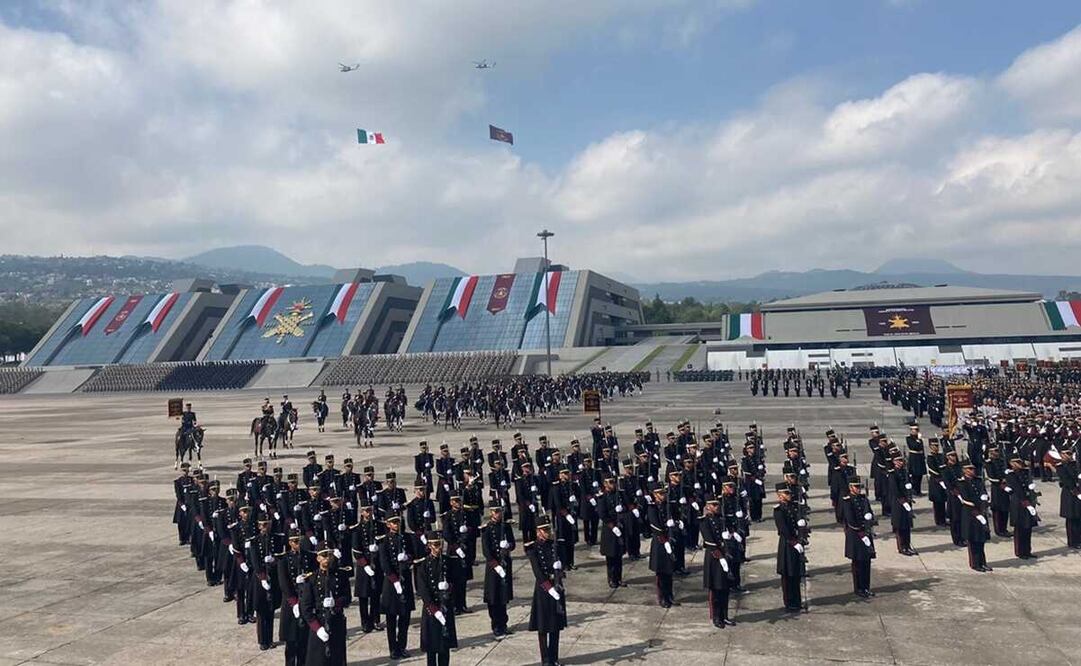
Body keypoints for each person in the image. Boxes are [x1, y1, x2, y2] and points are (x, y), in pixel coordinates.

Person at [301, 547, 352, 666]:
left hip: (336, 621)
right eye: (324, 556)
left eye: (329, 555)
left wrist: (336, 602)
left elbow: (347, 598)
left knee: (337, 658)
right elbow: (306, 607)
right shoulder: (312, 578)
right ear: (318, 558)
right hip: (319, 622)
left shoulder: (341, 575)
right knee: (318, 659)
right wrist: (317, 628)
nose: (327, 559)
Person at [527, 517, 566, 666]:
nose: (548, 532)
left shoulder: (555, 545)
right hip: (544, 590)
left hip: (556, 586)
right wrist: (549, 589)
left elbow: (564, 562)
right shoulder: (533, 549)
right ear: (538, 532)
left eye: (548, 529)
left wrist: (560, 567)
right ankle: (546, 660)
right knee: (543, 627)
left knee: (555, 625)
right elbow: (538, 572)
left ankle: (554, 657)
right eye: (545, 530)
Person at [415, 531, 458, 666]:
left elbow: (456, 580)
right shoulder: (423, 566)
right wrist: (435, 610)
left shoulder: (447, 561)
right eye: (435, 545)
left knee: (444, 647)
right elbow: (423, 590)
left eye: (440, 544)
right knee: (432, 647)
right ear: (429, 546)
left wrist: (449, 587)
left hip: (445, 606)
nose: (439, 547)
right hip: (432, 610)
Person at [379, 515, 415, 660]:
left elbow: (413, 554)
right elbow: (385, 564)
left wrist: (407, 558)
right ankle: (393, 648)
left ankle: (402, 646)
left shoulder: (406, 538)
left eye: (398, 522)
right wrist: (395, 582)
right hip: (391, 583)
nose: (396, 524)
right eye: (393, 522)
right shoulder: (384, 541)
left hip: (405, 580)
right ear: (388, 524)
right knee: (391, 619)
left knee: (405, 618)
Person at [278, 529, 314, 666]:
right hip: (291, 604)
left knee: (303, 640)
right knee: (291, 642)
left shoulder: (308, 556)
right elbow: (283, 583)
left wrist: (306, 578)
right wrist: (294, 603)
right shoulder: (284, 559)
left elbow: (314, 574)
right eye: (294, 541)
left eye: (298, 540)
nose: (297, 543)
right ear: (289, 543)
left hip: (305, 601)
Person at [480, 501, 516, 639]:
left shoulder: (505, 527)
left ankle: (503, 624)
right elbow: (486, 552)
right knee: (493, 598)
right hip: (494, 567)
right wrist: (496, 566)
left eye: (500, 511)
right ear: (491, 513)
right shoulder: (487, 529)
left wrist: (508, 547)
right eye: (495, 511)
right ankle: (496, 625)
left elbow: (512, 543)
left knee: (503, 596)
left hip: (505, 563)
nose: (498, 514)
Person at [700, 494, 734, 626]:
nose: (717, 507)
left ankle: (724, 615)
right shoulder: (704, 521)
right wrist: (720, 554)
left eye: (718, 504)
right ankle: (716, 617)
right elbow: (709, 541)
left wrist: (730, 535)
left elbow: (730, 530)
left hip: (724, 555)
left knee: (725, 588)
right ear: (708, 506)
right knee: (715, 589)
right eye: (714, 505)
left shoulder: (722, 519)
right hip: (714, 557)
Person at [842, 477, 876, 597]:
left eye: (859, 487)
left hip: (865, 533)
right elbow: (850, 520)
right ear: (851, 487)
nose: (858, 489)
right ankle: (859, 588)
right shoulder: (847, 501)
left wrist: (870, 518)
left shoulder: (863, 499)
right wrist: (861, 529)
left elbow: (870, 513)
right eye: (856, 487)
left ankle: (866, 587)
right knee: (857, 563)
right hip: (855, 535)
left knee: (866, 562)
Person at [773, 483, 805, 612]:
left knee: (796, 574)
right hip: (787, 544)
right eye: (786, 493)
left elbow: (797, 522)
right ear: (779, 495)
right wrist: (794, 542)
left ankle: (797, 601)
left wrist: (802, 527)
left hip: (796, 542)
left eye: (789, 493)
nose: (789, 495)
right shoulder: (778, 510)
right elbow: (783, 529)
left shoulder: (794, 507)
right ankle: (789, 602)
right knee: (788, 575)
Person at [647, 484, 678, 608]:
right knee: (661, 574)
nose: (663, 495)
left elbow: (675, 517)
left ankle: (670, 595)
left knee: (669, 571)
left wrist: (675, 523)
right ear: (655, 495)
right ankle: (662, 598)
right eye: (660, 493)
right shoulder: (652, 508)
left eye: (664, 493)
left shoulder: (668, 506)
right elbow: (655, 526)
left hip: (669, 540)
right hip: (660, 543)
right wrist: (665, 538)